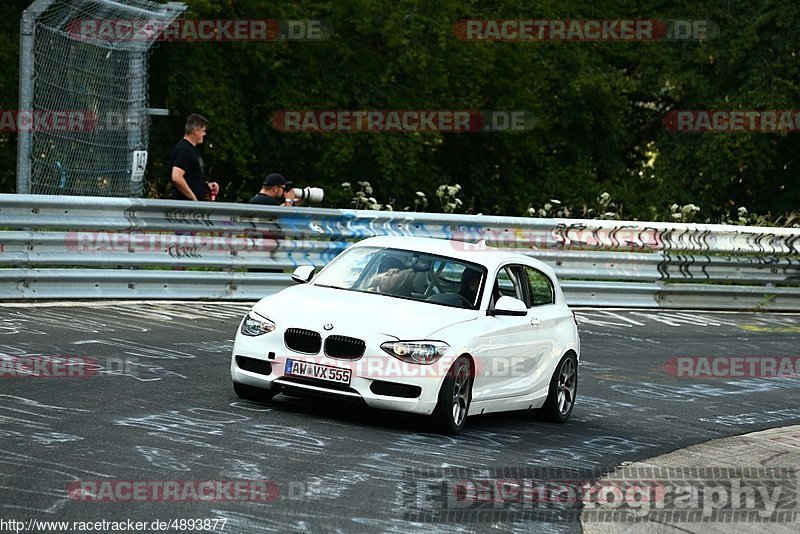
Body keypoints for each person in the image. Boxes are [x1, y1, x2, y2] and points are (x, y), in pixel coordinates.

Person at [170, 113, 220, 201]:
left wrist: (206, 185)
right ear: (195, 131)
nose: (204, 134)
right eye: (203, 130)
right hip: (184, 205)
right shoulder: (185, 150)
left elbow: (191, 177)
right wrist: (193, 199)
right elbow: (176, 177)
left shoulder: (192, 150)